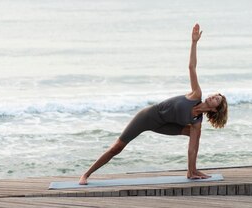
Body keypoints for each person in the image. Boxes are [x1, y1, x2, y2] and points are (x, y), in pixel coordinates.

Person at [78, 23, 228, 185]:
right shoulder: (195, 94)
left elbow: (192, 149)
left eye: (217, 99)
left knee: (195, 134)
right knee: (117, 147)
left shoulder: (196, 123)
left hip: (164, 125)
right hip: (148, 117)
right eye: (215, 95)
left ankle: (191, 171)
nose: (213, 96)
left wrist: (192, 161)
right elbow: (191, 67)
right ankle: (85, 174)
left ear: (214, 109)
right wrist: (194, 43)